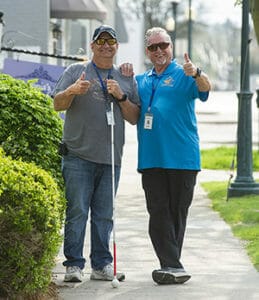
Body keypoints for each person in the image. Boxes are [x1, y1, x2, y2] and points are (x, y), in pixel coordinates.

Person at [53, 25, 140, 283]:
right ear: (92, 46)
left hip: (110, 158)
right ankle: (73, 266)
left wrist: (121, 96)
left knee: (104, 214)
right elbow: (57, 103)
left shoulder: (125, 76)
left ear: (116, 46)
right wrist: (72, 91)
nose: (106, 45)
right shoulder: (74, 71)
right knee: (77, 211)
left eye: (110, 41)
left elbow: (134, 117)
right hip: (78, 155)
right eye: (100, 41)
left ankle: (101, 265)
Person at [131, 27, 211, 285]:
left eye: (163, 45)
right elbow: (133, 111)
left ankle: (170, 265)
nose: (159, 51)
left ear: (171, 47)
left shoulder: (185, 73)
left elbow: (206, 88)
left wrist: (197, 72)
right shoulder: (142, 80)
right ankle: (173, 265)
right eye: (153, 47)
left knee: (177, 213)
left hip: (183, 158)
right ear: (147, 52)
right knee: (158, 211)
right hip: (151, 157)